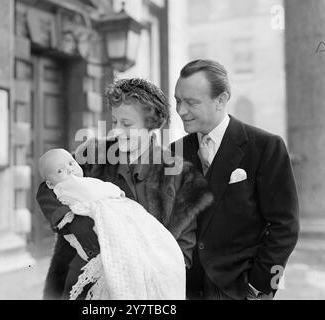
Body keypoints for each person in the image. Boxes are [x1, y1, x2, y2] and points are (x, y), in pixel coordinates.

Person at [36, 78, 213, 299]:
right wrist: (73, 222)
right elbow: (49, 186)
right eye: (114, 122)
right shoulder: (93, 154)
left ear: (151, 124)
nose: (117, 132)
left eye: (127, 124)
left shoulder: (179, 176)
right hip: (81, 285)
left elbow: (181, 252)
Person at [172, 59, 300, 300]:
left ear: (221, 100)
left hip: (240, 290)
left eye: (190, 102)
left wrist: (262, 285)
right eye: (178, 101)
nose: (180, 111)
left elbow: (286, 226)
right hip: (183, 290)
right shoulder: (173, 153)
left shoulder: (266, 147)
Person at [37, 148, 186, 300]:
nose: (69, 169)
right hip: (92, 253)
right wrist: (80, 224)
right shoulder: (98, 153)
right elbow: (53, 186)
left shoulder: (170, 163)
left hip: (146, 252)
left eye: (127, 123)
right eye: (116, 122)